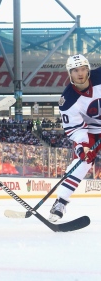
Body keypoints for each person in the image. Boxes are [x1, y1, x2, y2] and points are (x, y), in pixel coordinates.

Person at [51, 54, 100, 222]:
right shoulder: (67, 100)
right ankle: (60, 202)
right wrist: (83, 147)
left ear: (89, 69)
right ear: (69, 73)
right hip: (90, 131)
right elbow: (76, 128)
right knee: (84, 161)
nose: (80, 73)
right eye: (76, 70)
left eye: (83, 69)